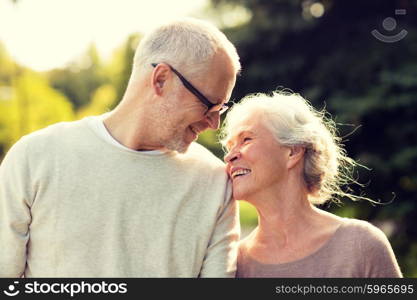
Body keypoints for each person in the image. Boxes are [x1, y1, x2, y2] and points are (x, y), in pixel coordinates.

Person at [0, 18, 241, 277]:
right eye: (209, 105)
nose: (215, 123)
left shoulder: (215, 183)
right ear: (161, 80)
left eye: (221, 109)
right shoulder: (35, 157)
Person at [221, 91, 402, 277]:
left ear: (293, 151)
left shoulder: (361, 245)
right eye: (229, 146)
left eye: (246, 139)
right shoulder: (232, 265)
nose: (229, 156)